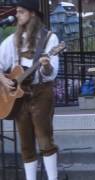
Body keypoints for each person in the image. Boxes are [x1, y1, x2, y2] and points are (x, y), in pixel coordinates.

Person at [0, 0, 59, 180]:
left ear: (32, 14)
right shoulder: (12, 40)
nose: (17, 15)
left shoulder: (50, 39)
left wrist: (46, 65)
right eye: (17, 12)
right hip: (19, 97)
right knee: (26, 143)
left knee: (45, 140)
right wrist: (3, 78)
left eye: (21, 12)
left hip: (41, 93)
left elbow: (51, 73)